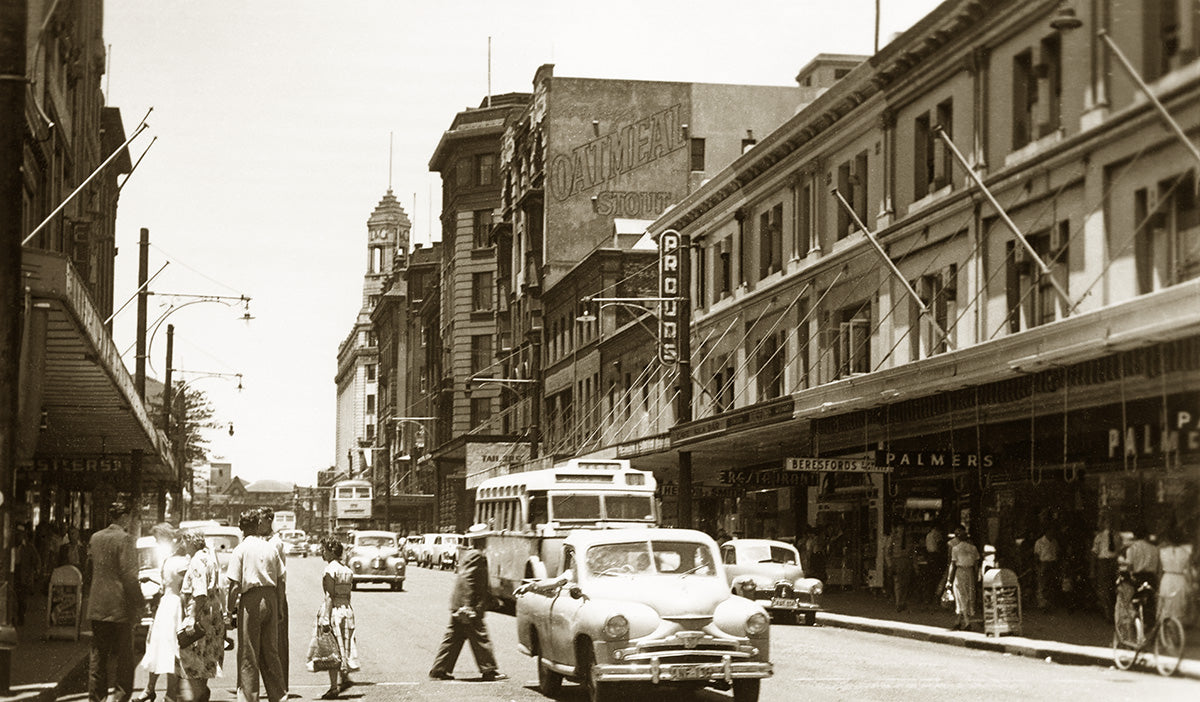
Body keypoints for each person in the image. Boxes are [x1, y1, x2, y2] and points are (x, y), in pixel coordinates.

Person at [429, 524, 506, 681]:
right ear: (482, 540)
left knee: (454, 637)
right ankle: (489, 670)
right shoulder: (477, 555)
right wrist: (467, 606)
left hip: (462, 604)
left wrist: (491, 600)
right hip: (469, 605)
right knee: (480, 636)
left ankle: (440, 669)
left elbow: (477, 582)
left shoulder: (469, 554)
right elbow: (468, 580)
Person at [86, 500, 143, 702]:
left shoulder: (95, 538)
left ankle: (96, 698)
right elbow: (129, 576)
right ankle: (119, 698)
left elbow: (89, 570)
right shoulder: (126, 540)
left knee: (98, 656)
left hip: (98, 604)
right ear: (125, 517)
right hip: (120, 606)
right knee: (124, 658)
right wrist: (140, 601)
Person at [226, 510, 285, 702]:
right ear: (258, 524)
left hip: (251, 600)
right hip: (271, 597)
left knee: (249, 652)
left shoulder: (240, 550)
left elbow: (234, 586)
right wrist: (280, 606)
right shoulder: (270, 548)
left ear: (241, 528)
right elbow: (281, 579)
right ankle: (279, 696)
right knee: (271, 651)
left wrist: (229, 610)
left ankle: (250, 697)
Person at [138, 526, 188, 702]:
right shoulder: (168, 558)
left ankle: (170, 693)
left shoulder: (182, 560)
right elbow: (165, 583)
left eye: (159, 539)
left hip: (175, 606)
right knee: (157, 645)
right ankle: (150, 689)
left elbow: (183, 586)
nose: (158, 543)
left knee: (172, 647)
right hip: (165, 605)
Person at [178, 529, 225, 702]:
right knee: (204, 661)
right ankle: (201, 695)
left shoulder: (197, 561)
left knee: (194, 663)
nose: (183, 545)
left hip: (201, 616)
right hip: (212, 615)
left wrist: (191, 618)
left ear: (190, 542)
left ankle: (198, 697)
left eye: (184, 541)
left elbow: (200, 593)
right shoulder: (209, 558)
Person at [312, 537, 359, 698]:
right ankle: (344, 677)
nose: (322, 552)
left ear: (332, 551)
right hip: (347, 610)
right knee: (342, 647)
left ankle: (333, 687)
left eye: (324, 549)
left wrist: (325, 617)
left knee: (332, 650)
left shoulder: (329, 570)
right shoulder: (346, 570)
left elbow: (329, 595)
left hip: (334, 611)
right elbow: (348, 594)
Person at [259, 508, 289, 697]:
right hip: (268, 595)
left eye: (261, 521)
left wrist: (279, 604)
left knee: (277, 644)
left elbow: (281, 577)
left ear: (269, 520)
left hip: (276, 595)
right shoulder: (263, 541)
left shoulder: (275, 543)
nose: (258, 524)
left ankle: (281, 684)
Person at [1119, 524, 1160, 620]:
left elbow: (1129, 565)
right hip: (1151, 578)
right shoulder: (1154, 548)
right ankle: (1149, 621)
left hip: (1138, 578)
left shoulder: (1132, 548)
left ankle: (1135, 620)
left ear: (1135, 535)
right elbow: (1158, 565)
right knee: (1150, 600)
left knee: (1134, 600)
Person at [1156, 522, 1194, 623]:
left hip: (1167, 579)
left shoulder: (1162, 551)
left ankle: (1165, 631)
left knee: (1166, 606)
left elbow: (1159, 571)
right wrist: (1190, 585)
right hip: (1180, 579)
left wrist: (1158, 583)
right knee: (1178, 608)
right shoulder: (1186, 552)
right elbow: (1189, 570)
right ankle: (1177, 630)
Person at [944, 527, 980, 631]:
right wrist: (977, 575)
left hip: (959, 572)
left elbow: (953, 564)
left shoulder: (955, 549)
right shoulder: (973, 548)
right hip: (970, 573)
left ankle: (967, 622)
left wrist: (949, 580)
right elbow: (976, 564)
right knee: (968, 595)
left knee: (960, 595)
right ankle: (958, 621)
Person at [1090, 513, 1120, 621]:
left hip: (1114, 562)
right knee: (1104, 588)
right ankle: (1108, 613)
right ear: (1104, 523)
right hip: (1103, 562)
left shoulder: (1117, 536)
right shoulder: (1099, 536)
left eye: (1111, 521)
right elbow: (1094, 553)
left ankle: (1113, 612)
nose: (1109, 524)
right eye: (1107, 521)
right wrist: (1092, 570)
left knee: (1114, 587)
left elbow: (1120, 551)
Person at [883, 523, 914, 612]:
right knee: (898, 583)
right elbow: (887, 552)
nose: (902, 529)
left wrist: (913, 564)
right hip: (897, 561)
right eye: (900, 527)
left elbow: (912, 552)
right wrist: (890, 564)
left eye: (903, 527)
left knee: (906, 583)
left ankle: (903, 602)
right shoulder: (893, 538)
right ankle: (898, 603)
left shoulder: (908, 538)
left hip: (907, 561)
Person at [1034, 526, 1060, 611]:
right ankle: (1042, 604)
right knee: (1042, 583)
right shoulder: (1039, 542)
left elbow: (1056, 552)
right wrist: (1038, 567)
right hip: (1043, 563)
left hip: (1052, 563)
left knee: (1051, 583)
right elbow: (1036, 555)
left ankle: (1050, 604)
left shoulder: (1054, 542)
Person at [924, 523, 945, 605]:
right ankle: (935, 597)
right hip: (936, 556)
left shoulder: (928, 535)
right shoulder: (937, 534)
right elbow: (940, 544)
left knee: (930, 577)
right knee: (936, 576)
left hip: (929, 555)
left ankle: (928, 598)